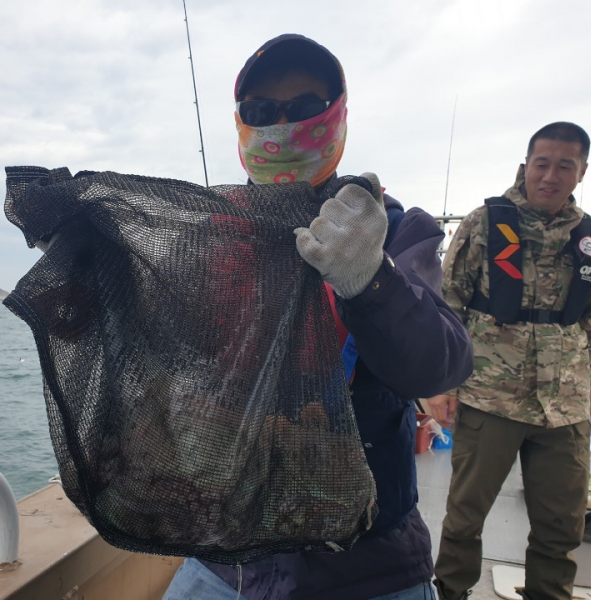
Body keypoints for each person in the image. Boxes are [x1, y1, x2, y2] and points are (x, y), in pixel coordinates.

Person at [163, 33, 474, 600]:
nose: (283, 126)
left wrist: (370, 278)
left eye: (306, 107)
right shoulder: (210, 239)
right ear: (241, 125)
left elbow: (439, 366)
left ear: (338, 116)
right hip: (226, 560)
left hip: (369, 568)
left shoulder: (397, 230)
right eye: (262, 112)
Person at [428, 122, 591, 600]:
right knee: (465, 518)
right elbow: (449, 305)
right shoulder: (485, 224)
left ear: (582, 172)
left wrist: (580, 392)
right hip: (490, 397)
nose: (551, 176)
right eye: (542, 164)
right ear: (526, 164)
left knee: (561, 527)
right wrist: (443, 385)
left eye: (565, 166)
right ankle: (451, 593)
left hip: (564, 410)